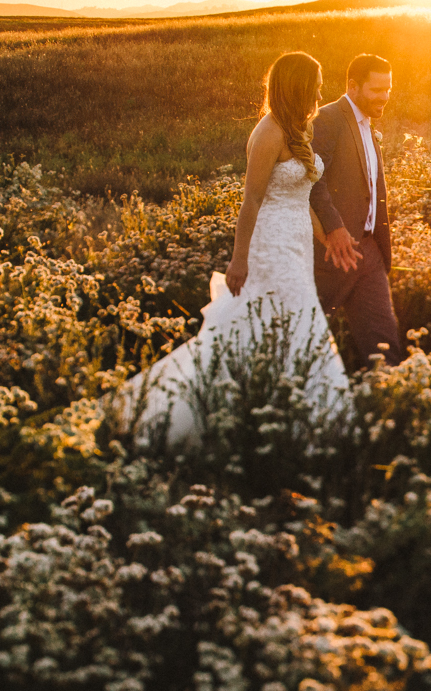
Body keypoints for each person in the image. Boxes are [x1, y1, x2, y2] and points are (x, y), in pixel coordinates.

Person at [121, 51, 350, 444]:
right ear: (297, 84)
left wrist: (327, 237)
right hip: (270, 245)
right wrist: (239, 259)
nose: (320, 88)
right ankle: (294, 416)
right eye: (315, 80)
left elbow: (301, 196)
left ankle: (286, 408)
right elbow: (252, 201)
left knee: (293, 318)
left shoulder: (298, 129)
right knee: (277, 317)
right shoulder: (270, 131)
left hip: (296, 243)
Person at [308, 52, 402, 367]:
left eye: (388, 89)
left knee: (384, 341)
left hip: (369, 252)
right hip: (333, 253)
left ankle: (390, 404)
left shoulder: (366, 123)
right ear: (353, 86)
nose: (385, 97)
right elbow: (311, 178)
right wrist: (334, 228)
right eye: (377, 90)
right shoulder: (328, 119)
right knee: (301, 338)